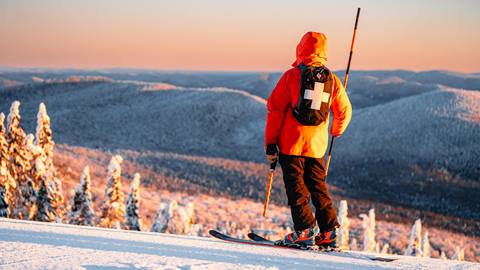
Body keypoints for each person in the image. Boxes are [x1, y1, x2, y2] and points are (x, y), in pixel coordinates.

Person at [265, 31, 352, 248]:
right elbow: (344, 111)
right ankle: (329, 232)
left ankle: (304, 231)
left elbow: (275, 110)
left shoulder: (291, 76)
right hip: (317, 146)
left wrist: (270, 143)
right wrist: (336, 130)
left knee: (296, 189)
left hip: (291, 144)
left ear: (301, 49)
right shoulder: (331, 79)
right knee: (318, 187)